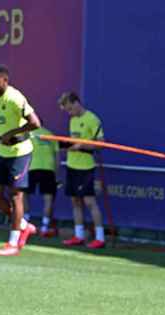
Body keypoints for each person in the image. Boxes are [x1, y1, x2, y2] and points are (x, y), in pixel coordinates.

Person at [0, 64, 42, 256]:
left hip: (20, 152)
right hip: (2, 154)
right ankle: (24, 225)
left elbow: (35, 123)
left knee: (16, 196)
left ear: (5, 80)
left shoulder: (15, 97)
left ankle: (13, 242)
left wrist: (13, 133)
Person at [58, 92, 106, 249]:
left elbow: (101, 144)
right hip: (72, 165)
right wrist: (68, 147)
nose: (70, 113)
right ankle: (78, 236)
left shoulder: (92, 119)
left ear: (77, 102)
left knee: (90, 202)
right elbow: (74, 142)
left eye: (70, 109)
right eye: (68, 111)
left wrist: (82, 146)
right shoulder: (72, 120)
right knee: (75, 201)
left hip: (86, 167)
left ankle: (100, 238)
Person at [23, 125, 60, 238]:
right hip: (49, 169)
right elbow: (57, 156)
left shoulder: (27, 134)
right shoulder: (50, 134)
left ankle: (25, 224)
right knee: (48, 199)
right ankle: (44, 227)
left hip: (32, 168)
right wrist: (56, 174)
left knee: (24, 195)